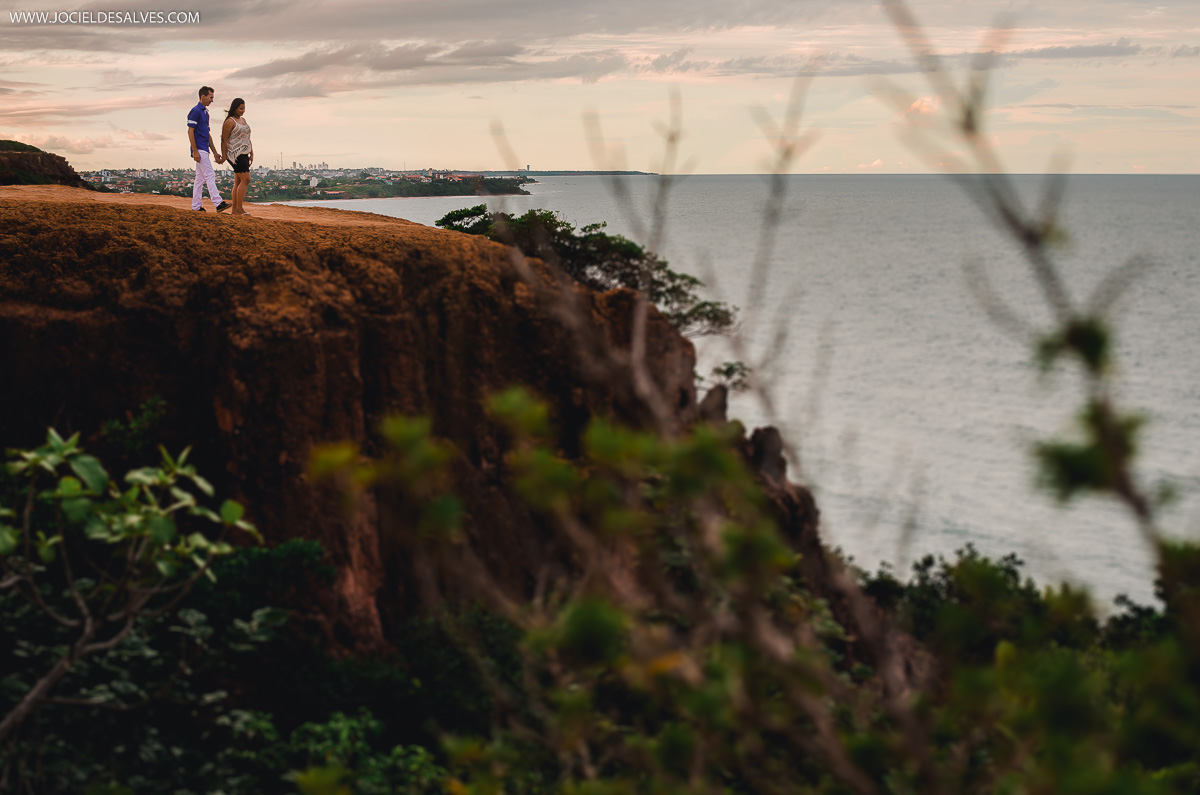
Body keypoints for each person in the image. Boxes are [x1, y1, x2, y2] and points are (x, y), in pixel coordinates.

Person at [187, 86, 230, 212]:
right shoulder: (195, 111)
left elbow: (207, 134)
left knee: (199, 179)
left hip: (204, 148)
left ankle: (196, 207)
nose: (212, 100)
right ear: (203, 96)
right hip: (199, 148)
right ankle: (218, 203)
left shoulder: (205, 113)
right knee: (210, 174)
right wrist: (195, 151)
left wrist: (215, 152)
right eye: (211, 97)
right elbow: (190, 131)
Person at [220, 98, 254, 215]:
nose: (243, 111)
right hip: (234, 154)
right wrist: (223, 156)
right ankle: (239, 209)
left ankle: (235, 210)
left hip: (245, 152)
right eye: (240, 108)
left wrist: (251, 152)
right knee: (246, 179)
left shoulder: (243, 120)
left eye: (244, 108)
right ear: (234, 108)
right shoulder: (230, 121)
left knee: (238, 181)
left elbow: (247, 137)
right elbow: (224, 140)